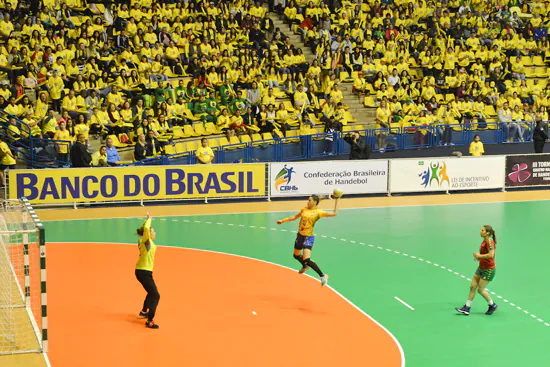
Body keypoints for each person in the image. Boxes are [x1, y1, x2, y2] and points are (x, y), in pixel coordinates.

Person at [276, 195, 339, 286]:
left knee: (306, 259)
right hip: (300, 236)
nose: (307, 202)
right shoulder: (304, 209)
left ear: (314, 202)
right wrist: (283, 220)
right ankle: (305, 266)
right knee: (296, 255)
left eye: (309, 200)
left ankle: (322, 276)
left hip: (308, 237)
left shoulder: (318, 212)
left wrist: (337, 200)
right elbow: (294, 217)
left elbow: (334, 213)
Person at [455, 225, 498, 316]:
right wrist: (479, 258)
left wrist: (479, 256)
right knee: (472, 287)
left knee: (480, 290)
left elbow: (491, 255)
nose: (480, 231)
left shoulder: (489, 241)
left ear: (487, 233)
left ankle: (492, 305)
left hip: (488, 269)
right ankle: (467, 307)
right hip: (481, 268)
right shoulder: (484, 241)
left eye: (482, 230)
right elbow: (485, 255)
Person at [135, 212, 161, 329]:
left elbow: (145, 228)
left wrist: (146, 221)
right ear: (148, 234)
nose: (155, 233)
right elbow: (146, 228)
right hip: (144, 272)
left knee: (151, 292)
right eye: (153, 231)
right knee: (155, 296)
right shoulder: (146, 241)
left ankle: (144, 311)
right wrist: (149, 219)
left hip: (143, 271)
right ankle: (150, 320)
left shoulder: (144, 241)